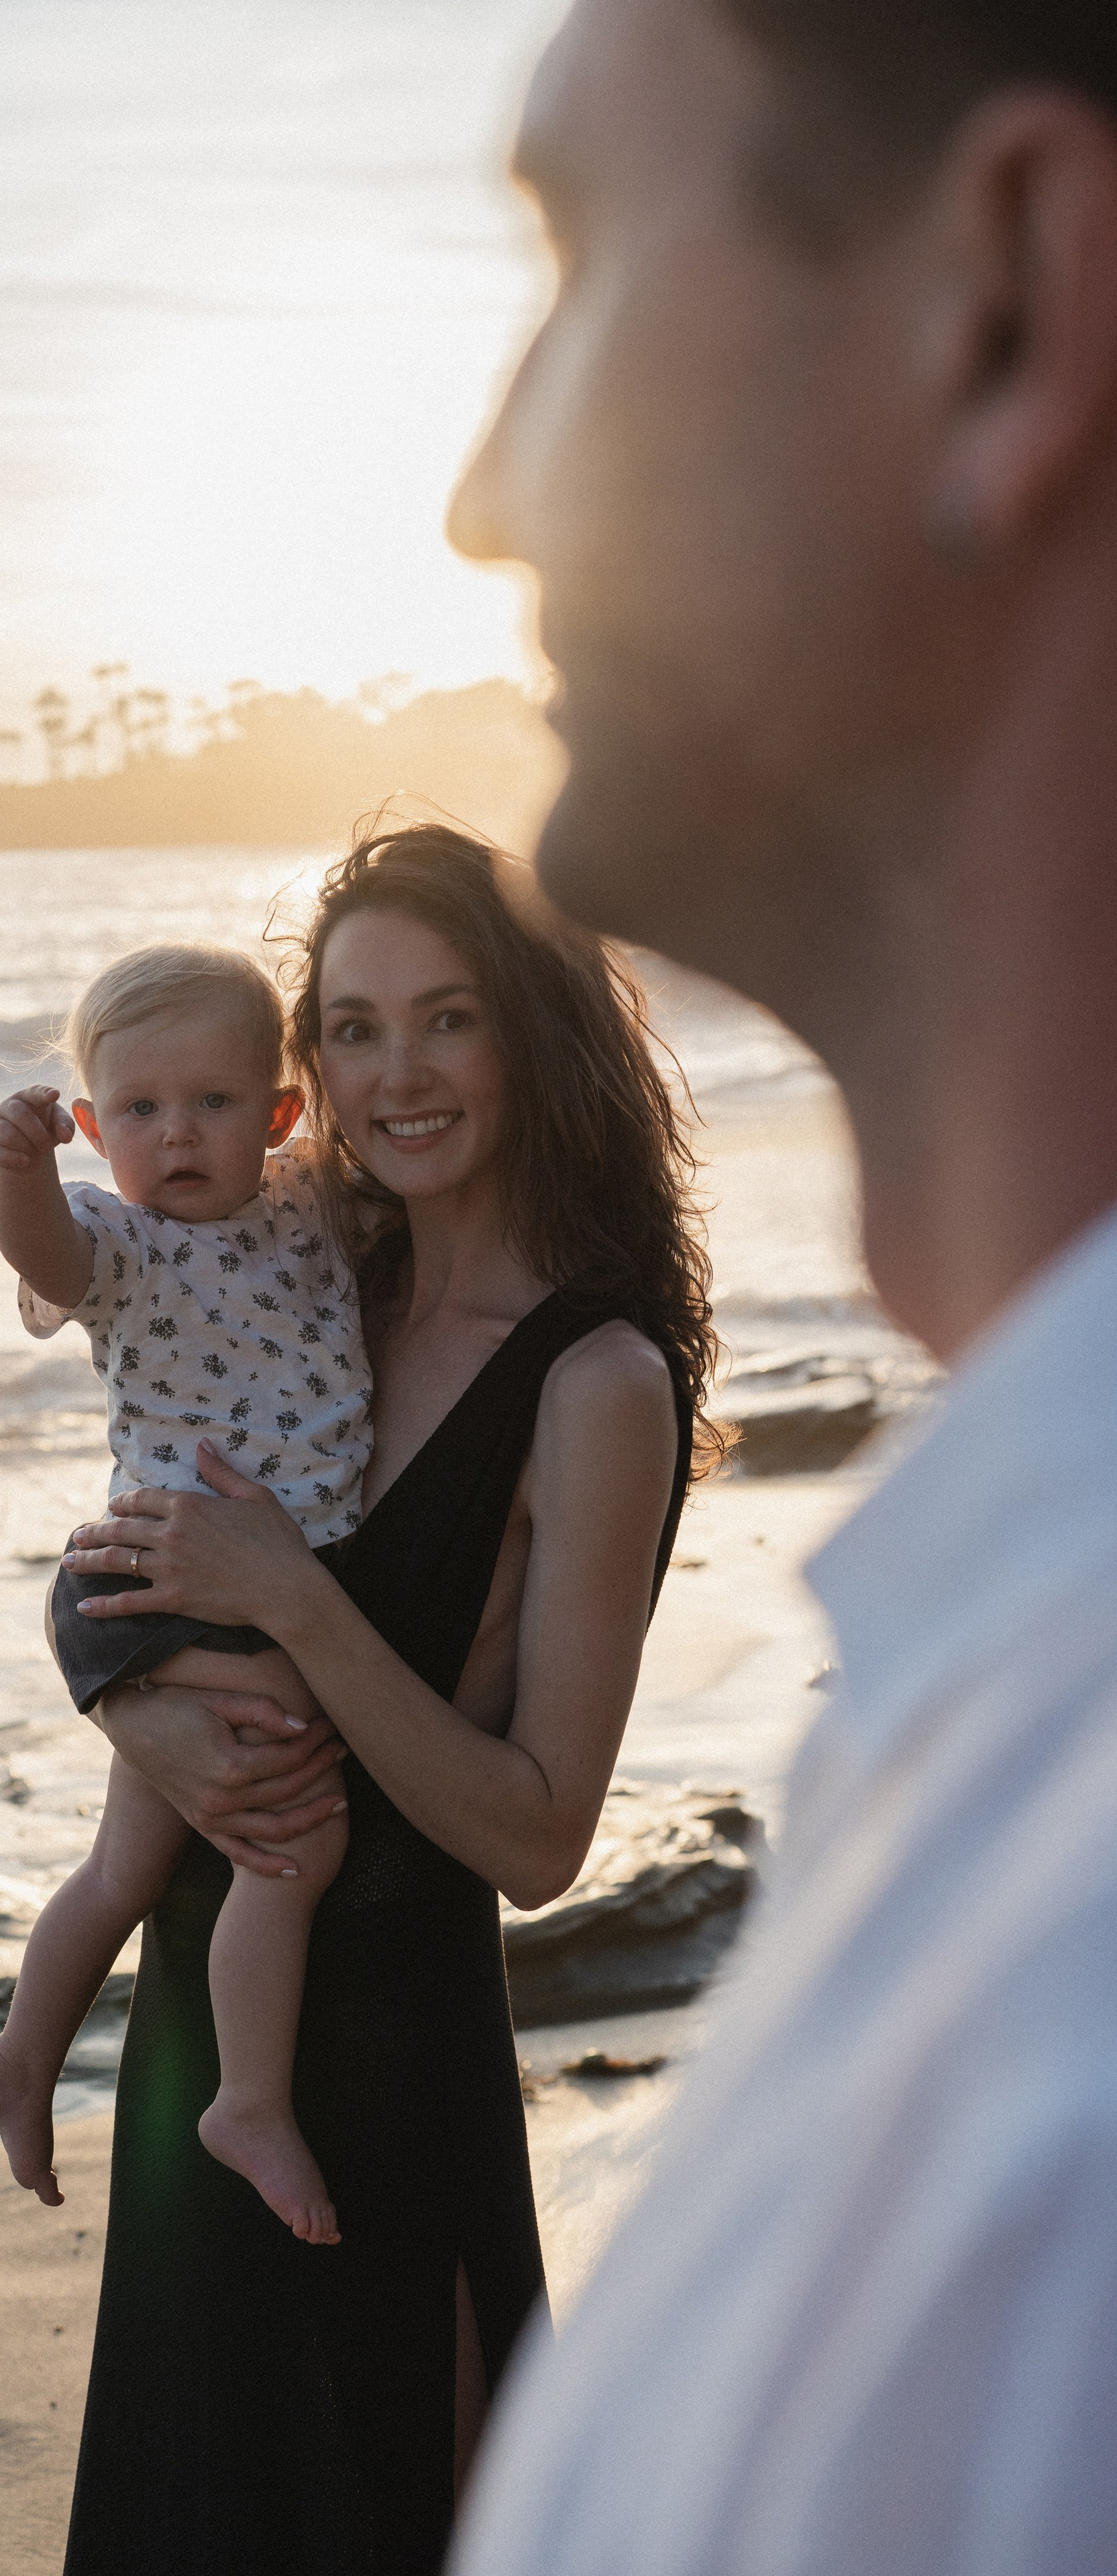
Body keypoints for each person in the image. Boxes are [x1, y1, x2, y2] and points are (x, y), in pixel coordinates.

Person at [444, 4, 1117, 2571]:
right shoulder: (997, 1667)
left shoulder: (1069, 2083)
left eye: (582, 252)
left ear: (1007, 309)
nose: (480, 492)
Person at [56, 824, 719, 2576]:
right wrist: (137, 1716)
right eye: (350, 1030)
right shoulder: (307, 1270)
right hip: (206, 2029)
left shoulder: (596, 1380)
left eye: (445, 1021)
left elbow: (541, 1835)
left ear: (533, 1035)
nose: (395, 1076)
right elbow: (128, 1549)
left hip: (383, 2078)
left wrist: (295, 1606)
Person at [0, 942, 368, 2245]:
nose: (176, 1134)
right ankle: (246, 2099)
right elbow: (44, 1251)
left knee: (126, 1863)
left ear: (280, 1115)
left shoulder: (312, 1203)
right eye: (137, 1110)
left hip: (224, 1587)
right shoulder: (117, 1242)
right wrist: (21, 1173)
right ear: (94, 1129)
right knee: (292, 1832)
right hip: (173, 1584)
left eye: (211, 1102)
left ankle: (24, 2054)